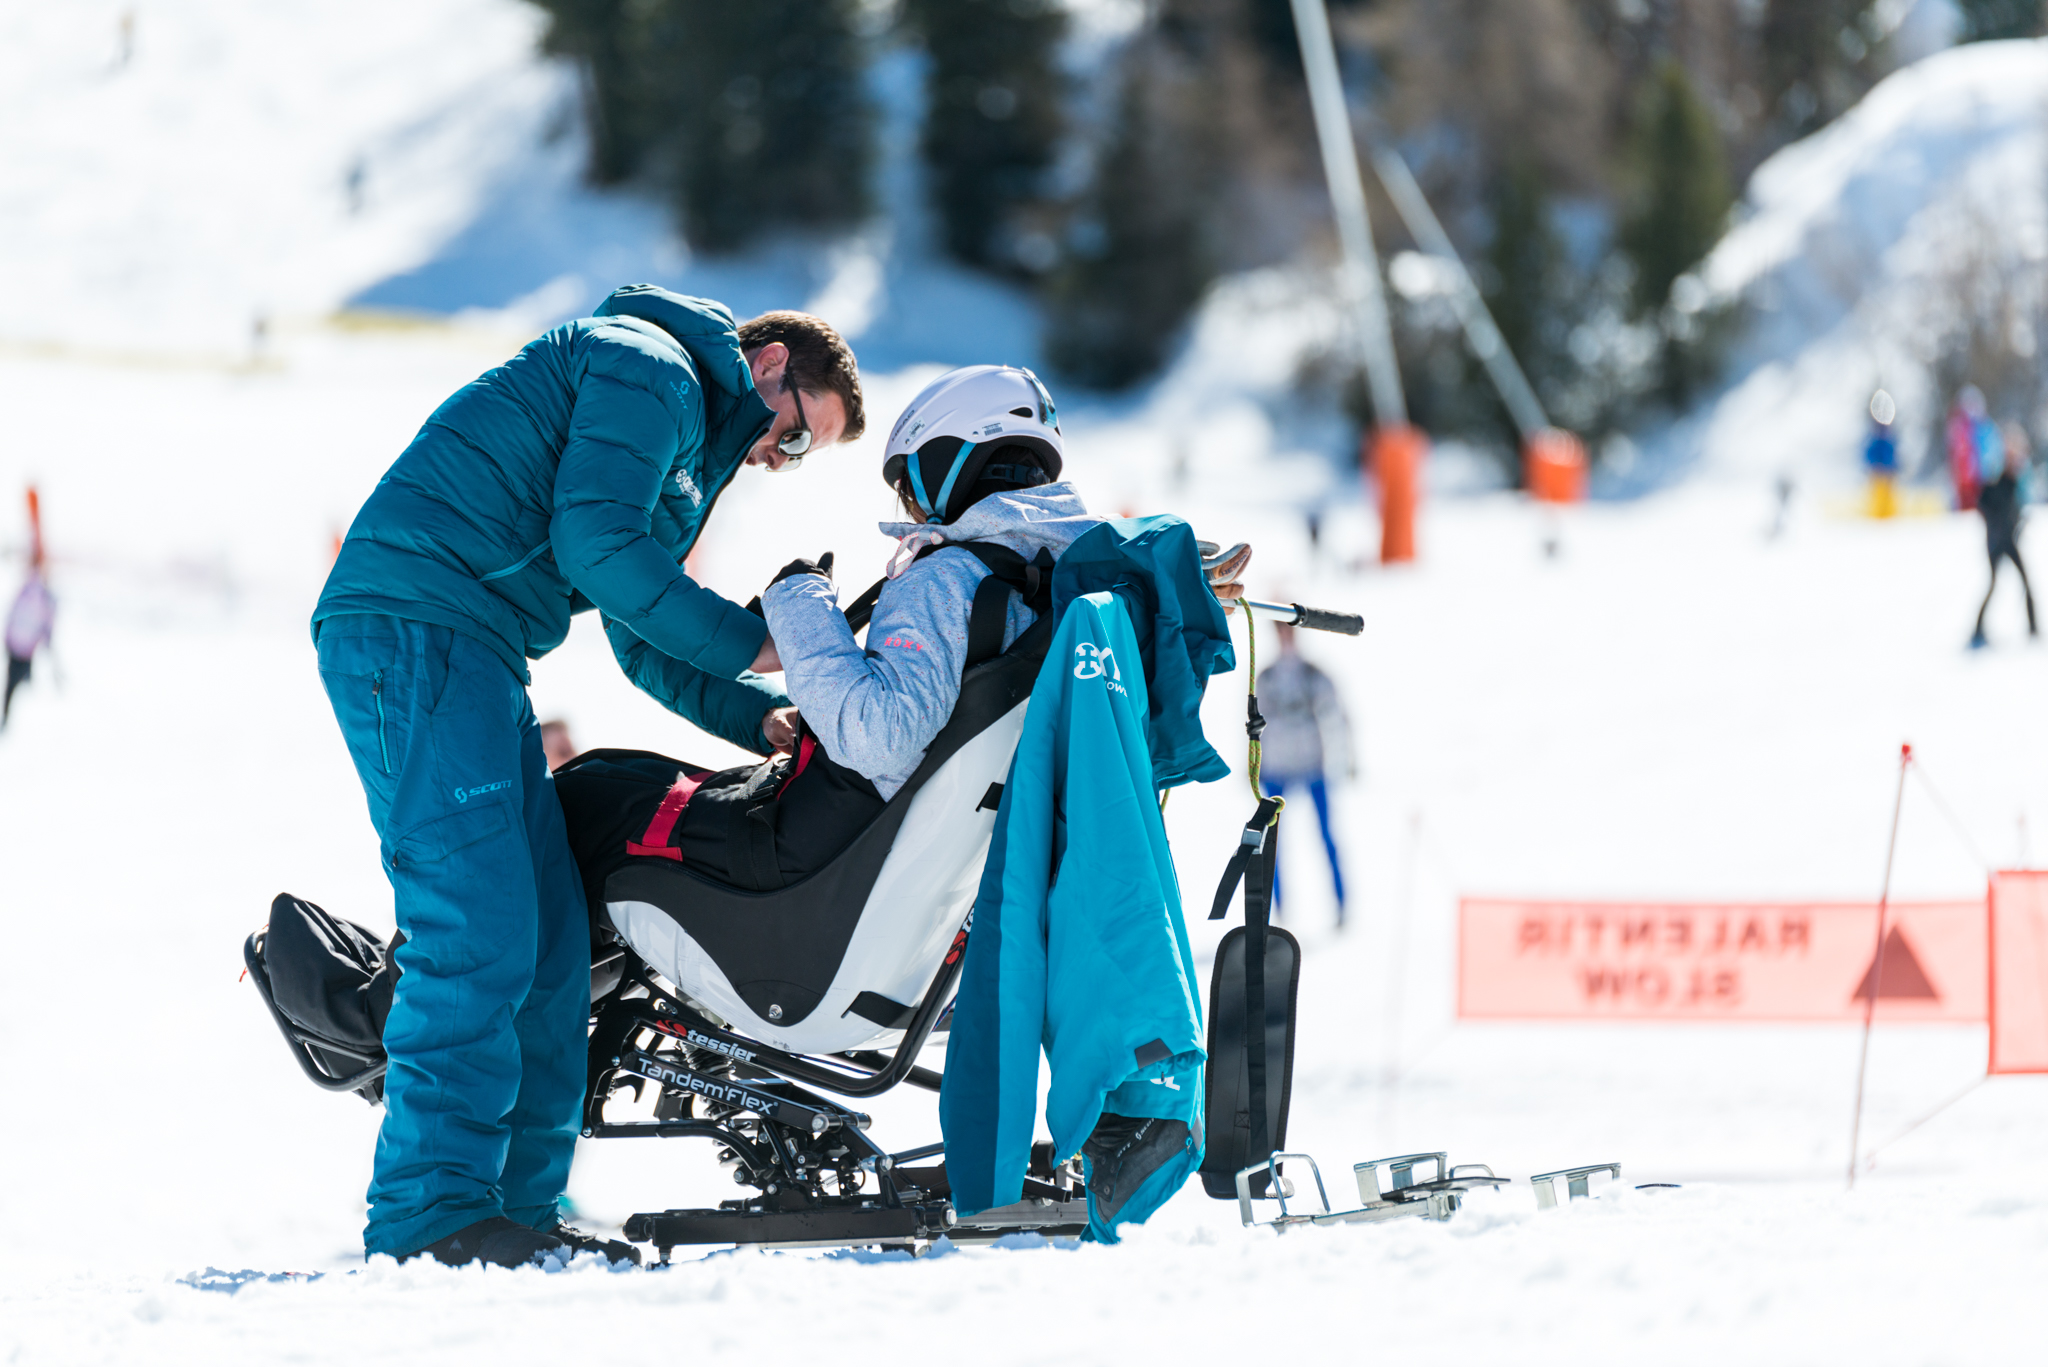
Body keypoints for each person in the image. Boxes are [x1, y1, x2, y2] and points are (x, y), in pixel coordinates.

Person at [310, 285, 864, 1269]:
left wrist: (758, 713)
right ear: (770, 363)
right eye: (795, 438)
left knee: (557, 939)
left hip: (472, 650)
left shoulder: (682, 448)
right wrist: (763, 639)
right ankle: (428, 1212)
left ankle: (513, 1211)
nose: (778, 461)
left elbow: (638, 632)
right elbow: (598, 549)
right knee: (476, 929)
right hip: (415, 626)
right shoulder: (645, 368)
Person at [1256, 620, 1353, 926]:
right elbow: (1253, 725)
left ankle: (1341, 906)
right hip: (1277, 766)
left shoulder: (1313, 673)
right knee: (1272, 843)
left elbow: (1338, 712)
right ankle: (1279, 912)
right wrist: (1254, 767)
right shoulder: (1267, 677)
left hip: (1312, 763)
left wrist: (1348, 756)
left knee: (1326, 835)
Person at [1971, 437, 2035, 649]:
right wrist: (1996, 529)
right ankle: (1977, 630)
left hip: (2009, 542)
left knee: (2026, 582)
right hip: (1996, 543)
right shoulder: (1995, 481)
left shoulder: (2014, 482)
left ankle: (2034, 628)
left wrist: (2019, 523)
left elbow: (2014, 511)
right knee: (1993, 585)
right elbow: (1984, 506)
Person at [1949, 386, 1985, 512]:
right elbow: (1955, 453)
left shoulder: (1981, 427)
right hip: (1963, 478)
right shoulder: (1957, 427)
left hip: (1978, 478)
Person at [1864, 390, 1898, 519]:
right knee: (1878, 499)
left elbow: (1892, 454)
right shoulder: (1875, 437)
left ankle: (1888, 519)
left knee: (1888, 500)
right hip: (1878, 472)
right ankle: (1878, 520)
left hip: (1887, 472)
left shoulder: (1889, 436)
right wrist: (1873, 465)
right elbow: (1870, 453)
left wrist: (1893, 467)